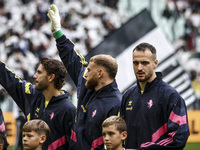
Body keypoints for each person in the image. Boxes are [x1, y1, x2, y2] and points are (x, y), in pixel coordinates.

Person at [47, 4, 122, 150]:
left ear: (100, 74)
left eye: (88, 70)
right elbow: (72, 59)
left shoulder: (116, 104)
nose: (84, 73)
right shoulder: (87, 83)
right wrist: (58, 33)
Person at [120, 42, 190, 150]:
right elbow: (121, 135)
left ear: (155, 63)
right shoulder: (127, 96)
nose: (139, 68)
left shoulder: (170, 95)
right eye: (135, 63)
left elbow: (179, 137)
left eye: (144, 63)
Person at [0, 57, 76, 150]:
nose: (35, 76)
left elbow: (75, 145)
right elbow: (10, 79)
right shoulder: (32, 96)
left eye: (39, 72)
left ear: (51, 77)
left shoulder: (68, 110)